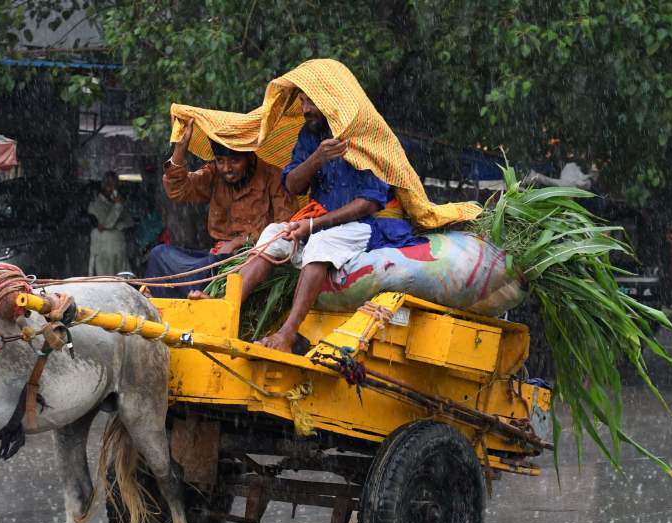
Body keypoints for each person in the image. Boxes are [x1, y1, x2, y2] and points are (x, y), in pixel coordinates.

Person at [233, 90, 425, 351]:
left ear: (332, 102)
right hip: (317, 222)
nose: (305, 110)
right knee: (274, 234)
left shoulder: (364, 136)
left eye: (311, 102)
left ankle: (287, 334)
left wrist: (313, 226)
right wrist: (316, 159)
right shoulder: (310, 134)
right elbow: (292, 185)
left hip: (365, 225)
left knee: (321, 242)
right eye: (302, 102)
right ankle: (225, 307)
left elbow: (368, 203)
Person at [145, 119, 296, 297]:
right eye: (220, 161)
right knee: (159, 254)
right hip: (214, 258)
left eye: (234, 161)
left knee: (208, 268)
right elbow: (178, 190)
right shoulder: (214, 173)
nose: (226, 168)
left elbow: (287, 229)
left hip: (251, 260)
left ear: (249, 156)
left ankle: (203, 298)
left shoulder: (274, 177)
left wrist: (240, 242)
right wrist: (180, 148)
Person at [87, 171, 135, 276]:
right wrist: (117, 206)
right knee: (106, 282)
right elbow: (106, 224)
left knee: (122, 283)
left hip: (119, 251)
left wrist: (119, 224)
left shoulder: (119, 202)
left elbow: (129, 222)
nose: (112, 188)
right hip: (104, 253)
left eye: (114, 185)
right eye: (110, 185)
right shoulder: (96, 205)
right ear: (104, 185)